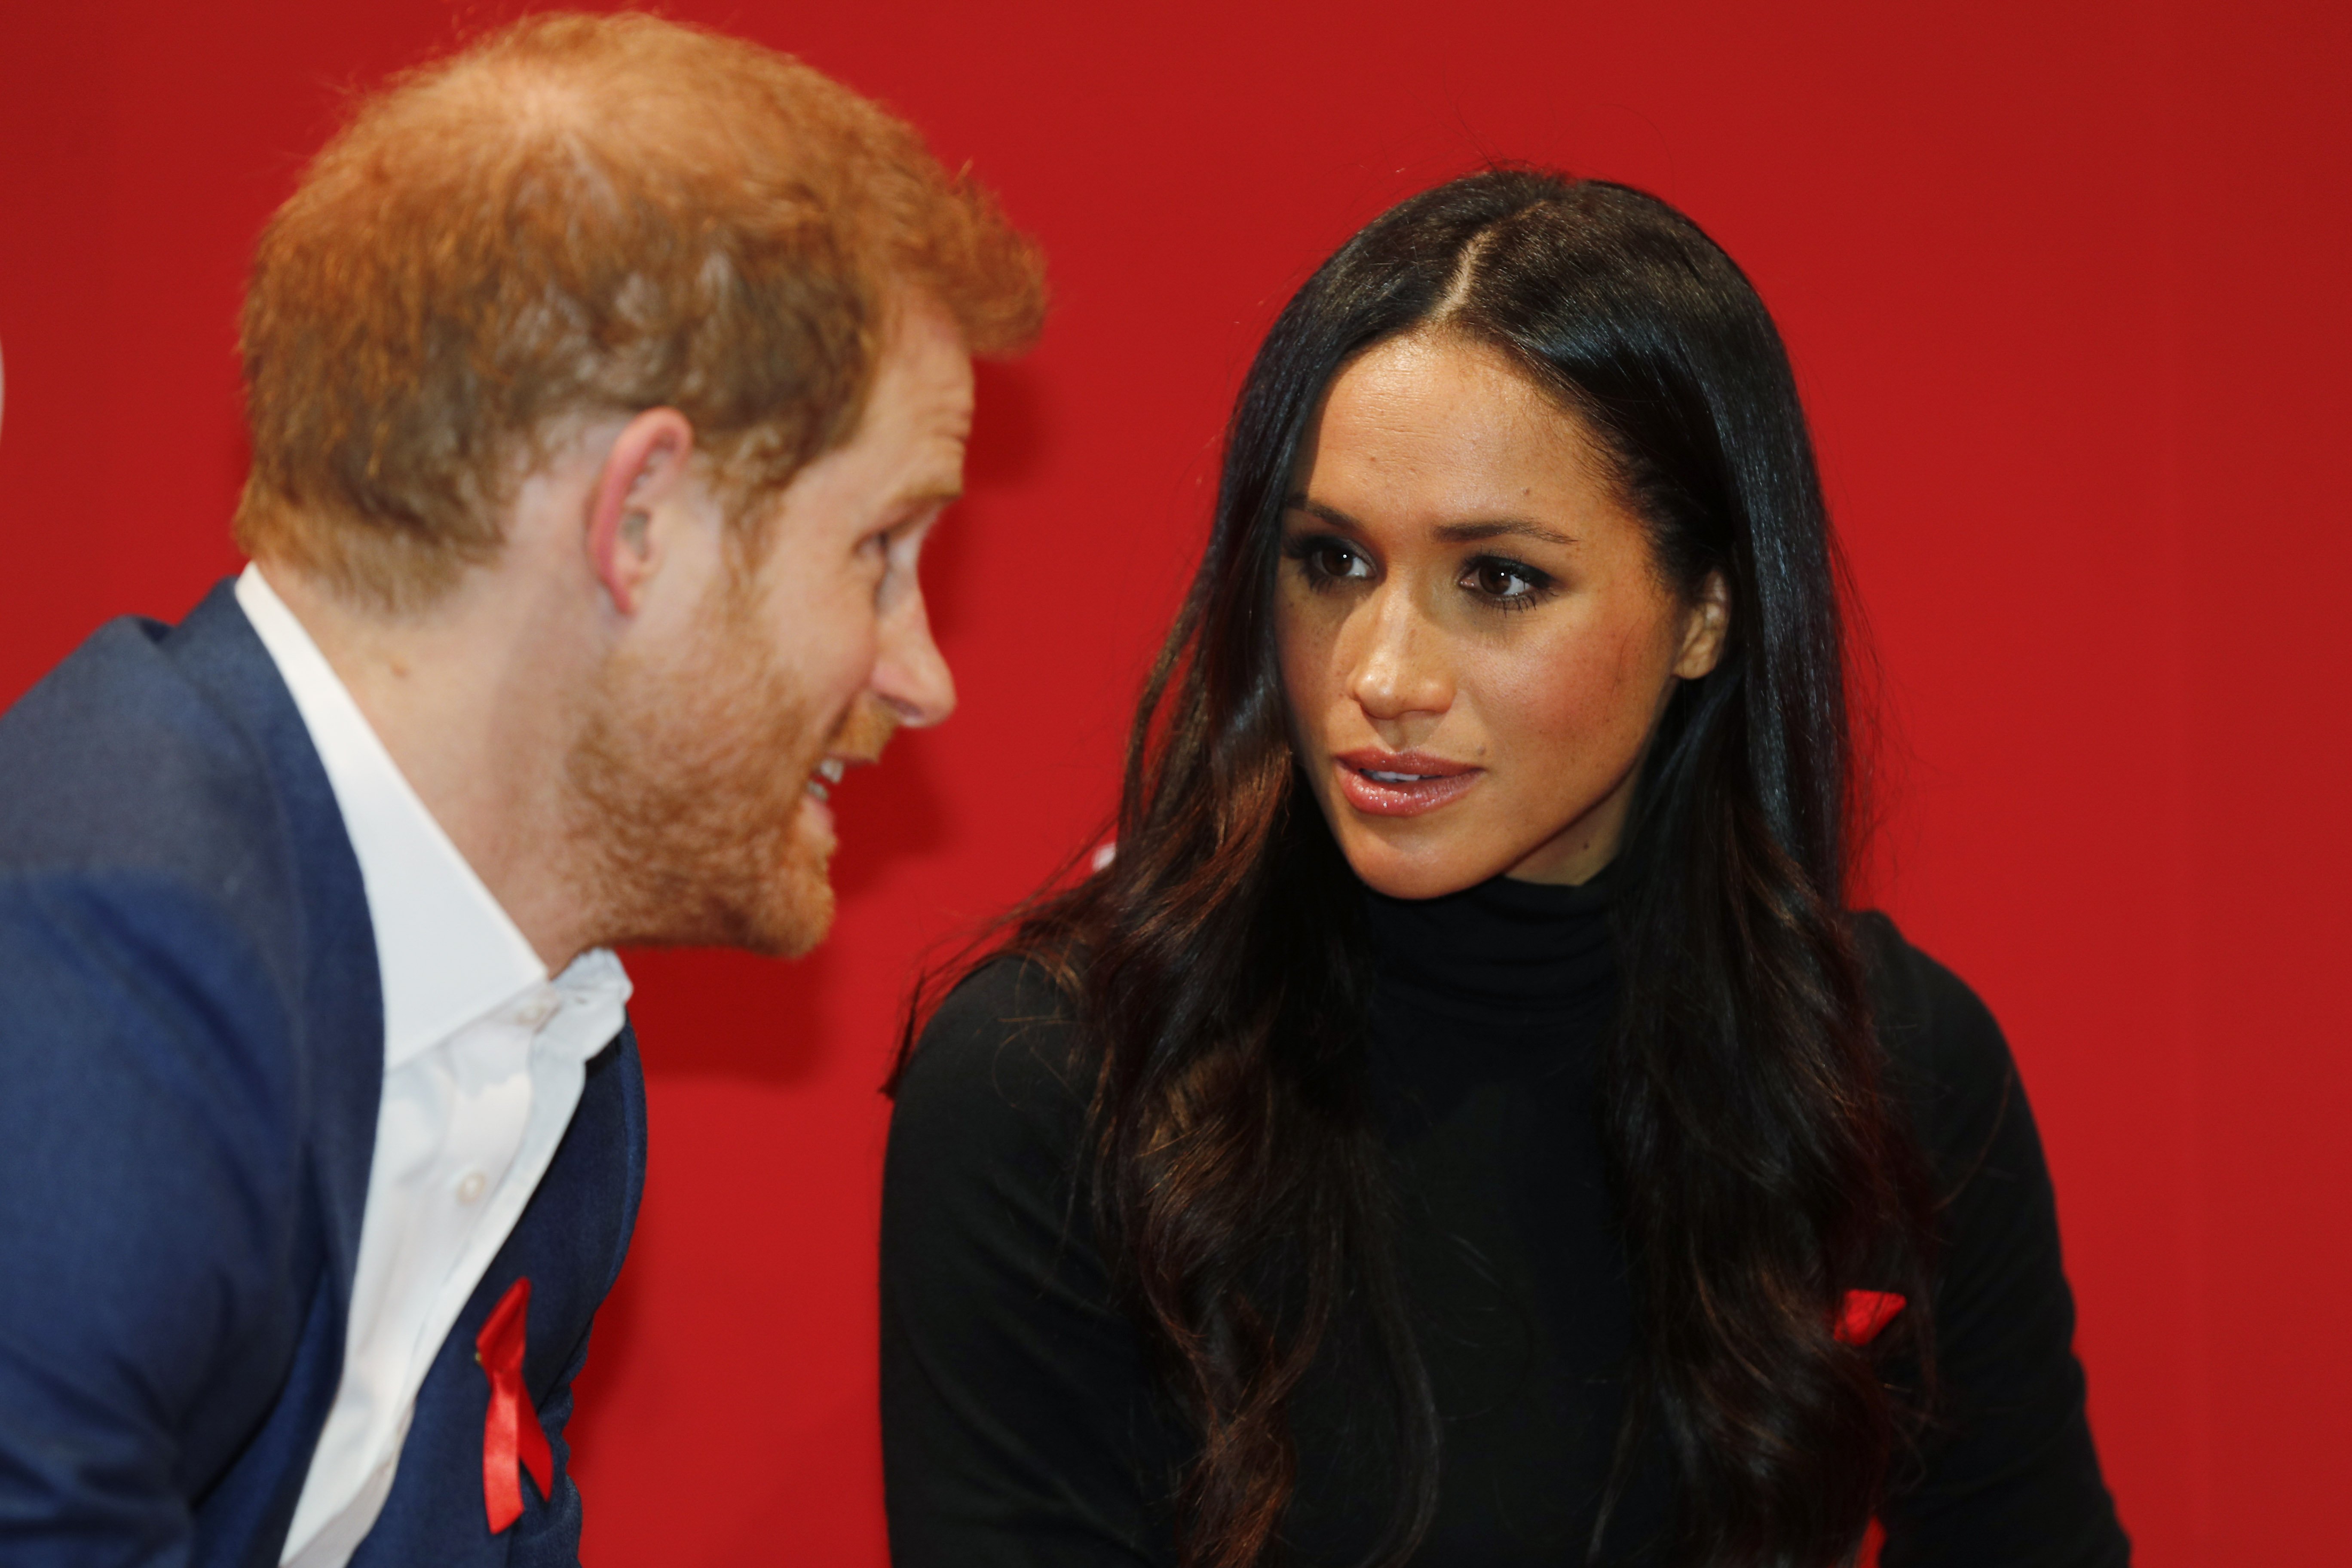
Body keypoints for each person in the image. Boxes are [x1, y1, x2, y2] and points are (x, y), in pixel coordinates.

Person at [882, 170, 2126, 1568]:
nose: (1382, 674)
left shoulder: (1891, 1066)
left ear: (1707, 609)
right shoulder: (1056, 1079)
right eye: (1332, 560)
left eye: (1501, 581)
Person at [0, 13, 1041, 1567]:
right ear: (642, 522)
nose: (921, 673)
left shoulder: (552, 1055)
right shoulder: (97, 964)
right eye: (878, 550)